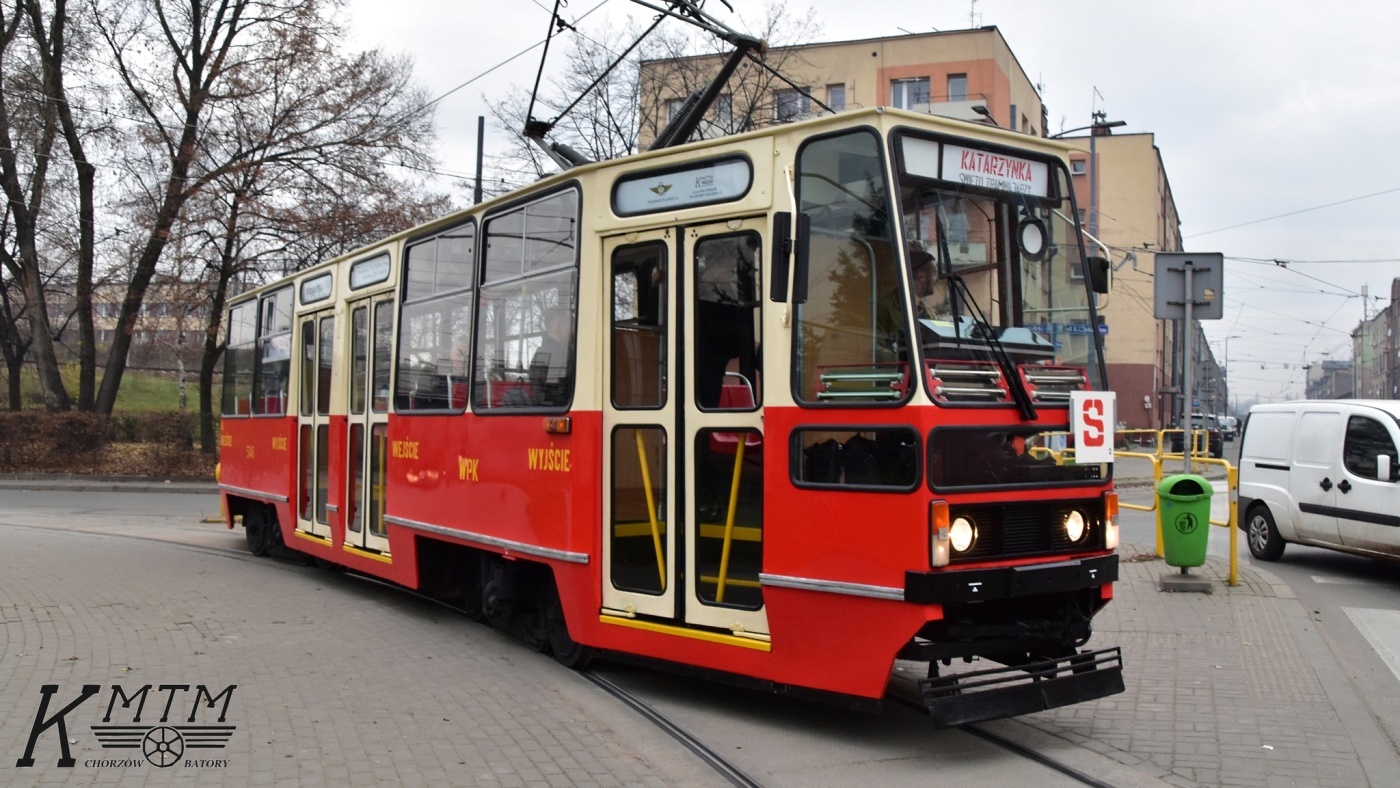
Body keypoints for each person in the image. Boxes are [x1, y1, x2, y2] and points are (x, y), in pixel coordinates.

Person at [529, 307, 573, 406]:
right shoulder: (559, 354)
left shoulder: (540, 352)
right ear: (558, 326)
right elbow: (557, 391)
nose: (571, 331)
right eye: (569, 325)